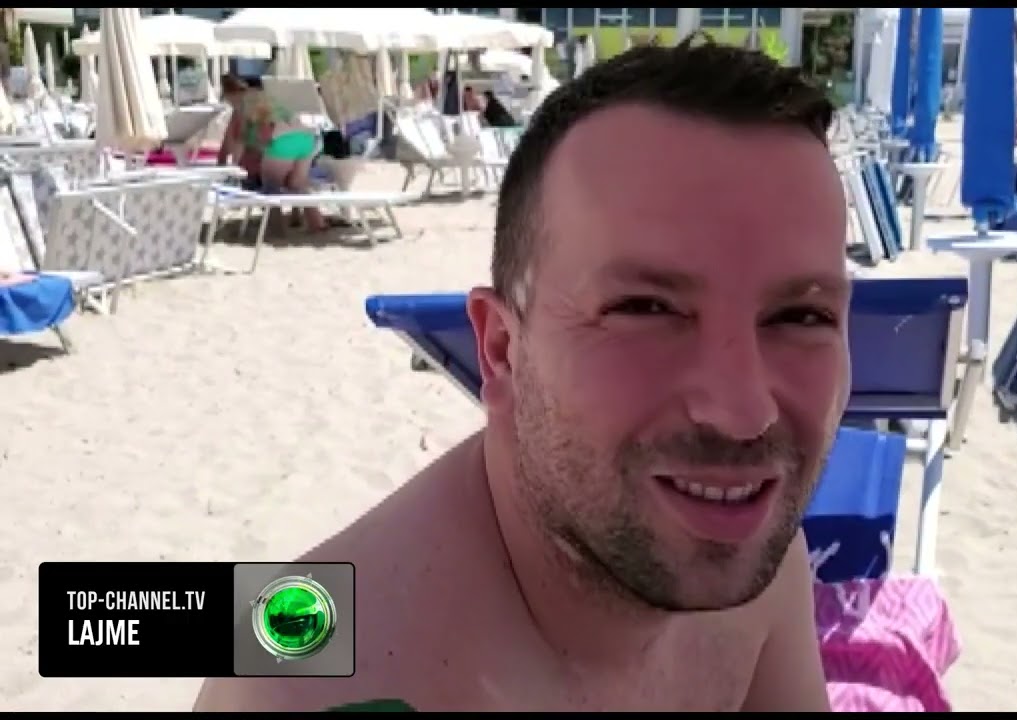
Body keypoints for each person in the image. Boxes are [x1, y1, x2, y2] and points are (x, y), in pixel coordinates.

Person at [193, 37, 846, 712]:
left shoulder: (754, 545)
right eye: (646, 309)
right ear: (501, 350)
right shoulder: (298, 685)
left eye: (802, 316)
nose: (743, 414)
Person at [242, 83, 328, 232]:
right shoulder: (288, 98)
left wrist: (259, 147)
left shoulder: (259, 104)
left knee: (271, 185)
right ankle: (317, 223)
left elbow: (265, 134)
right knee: (298, 183)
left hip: (282, 140)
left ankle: (276, 229)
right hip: (307, 139)